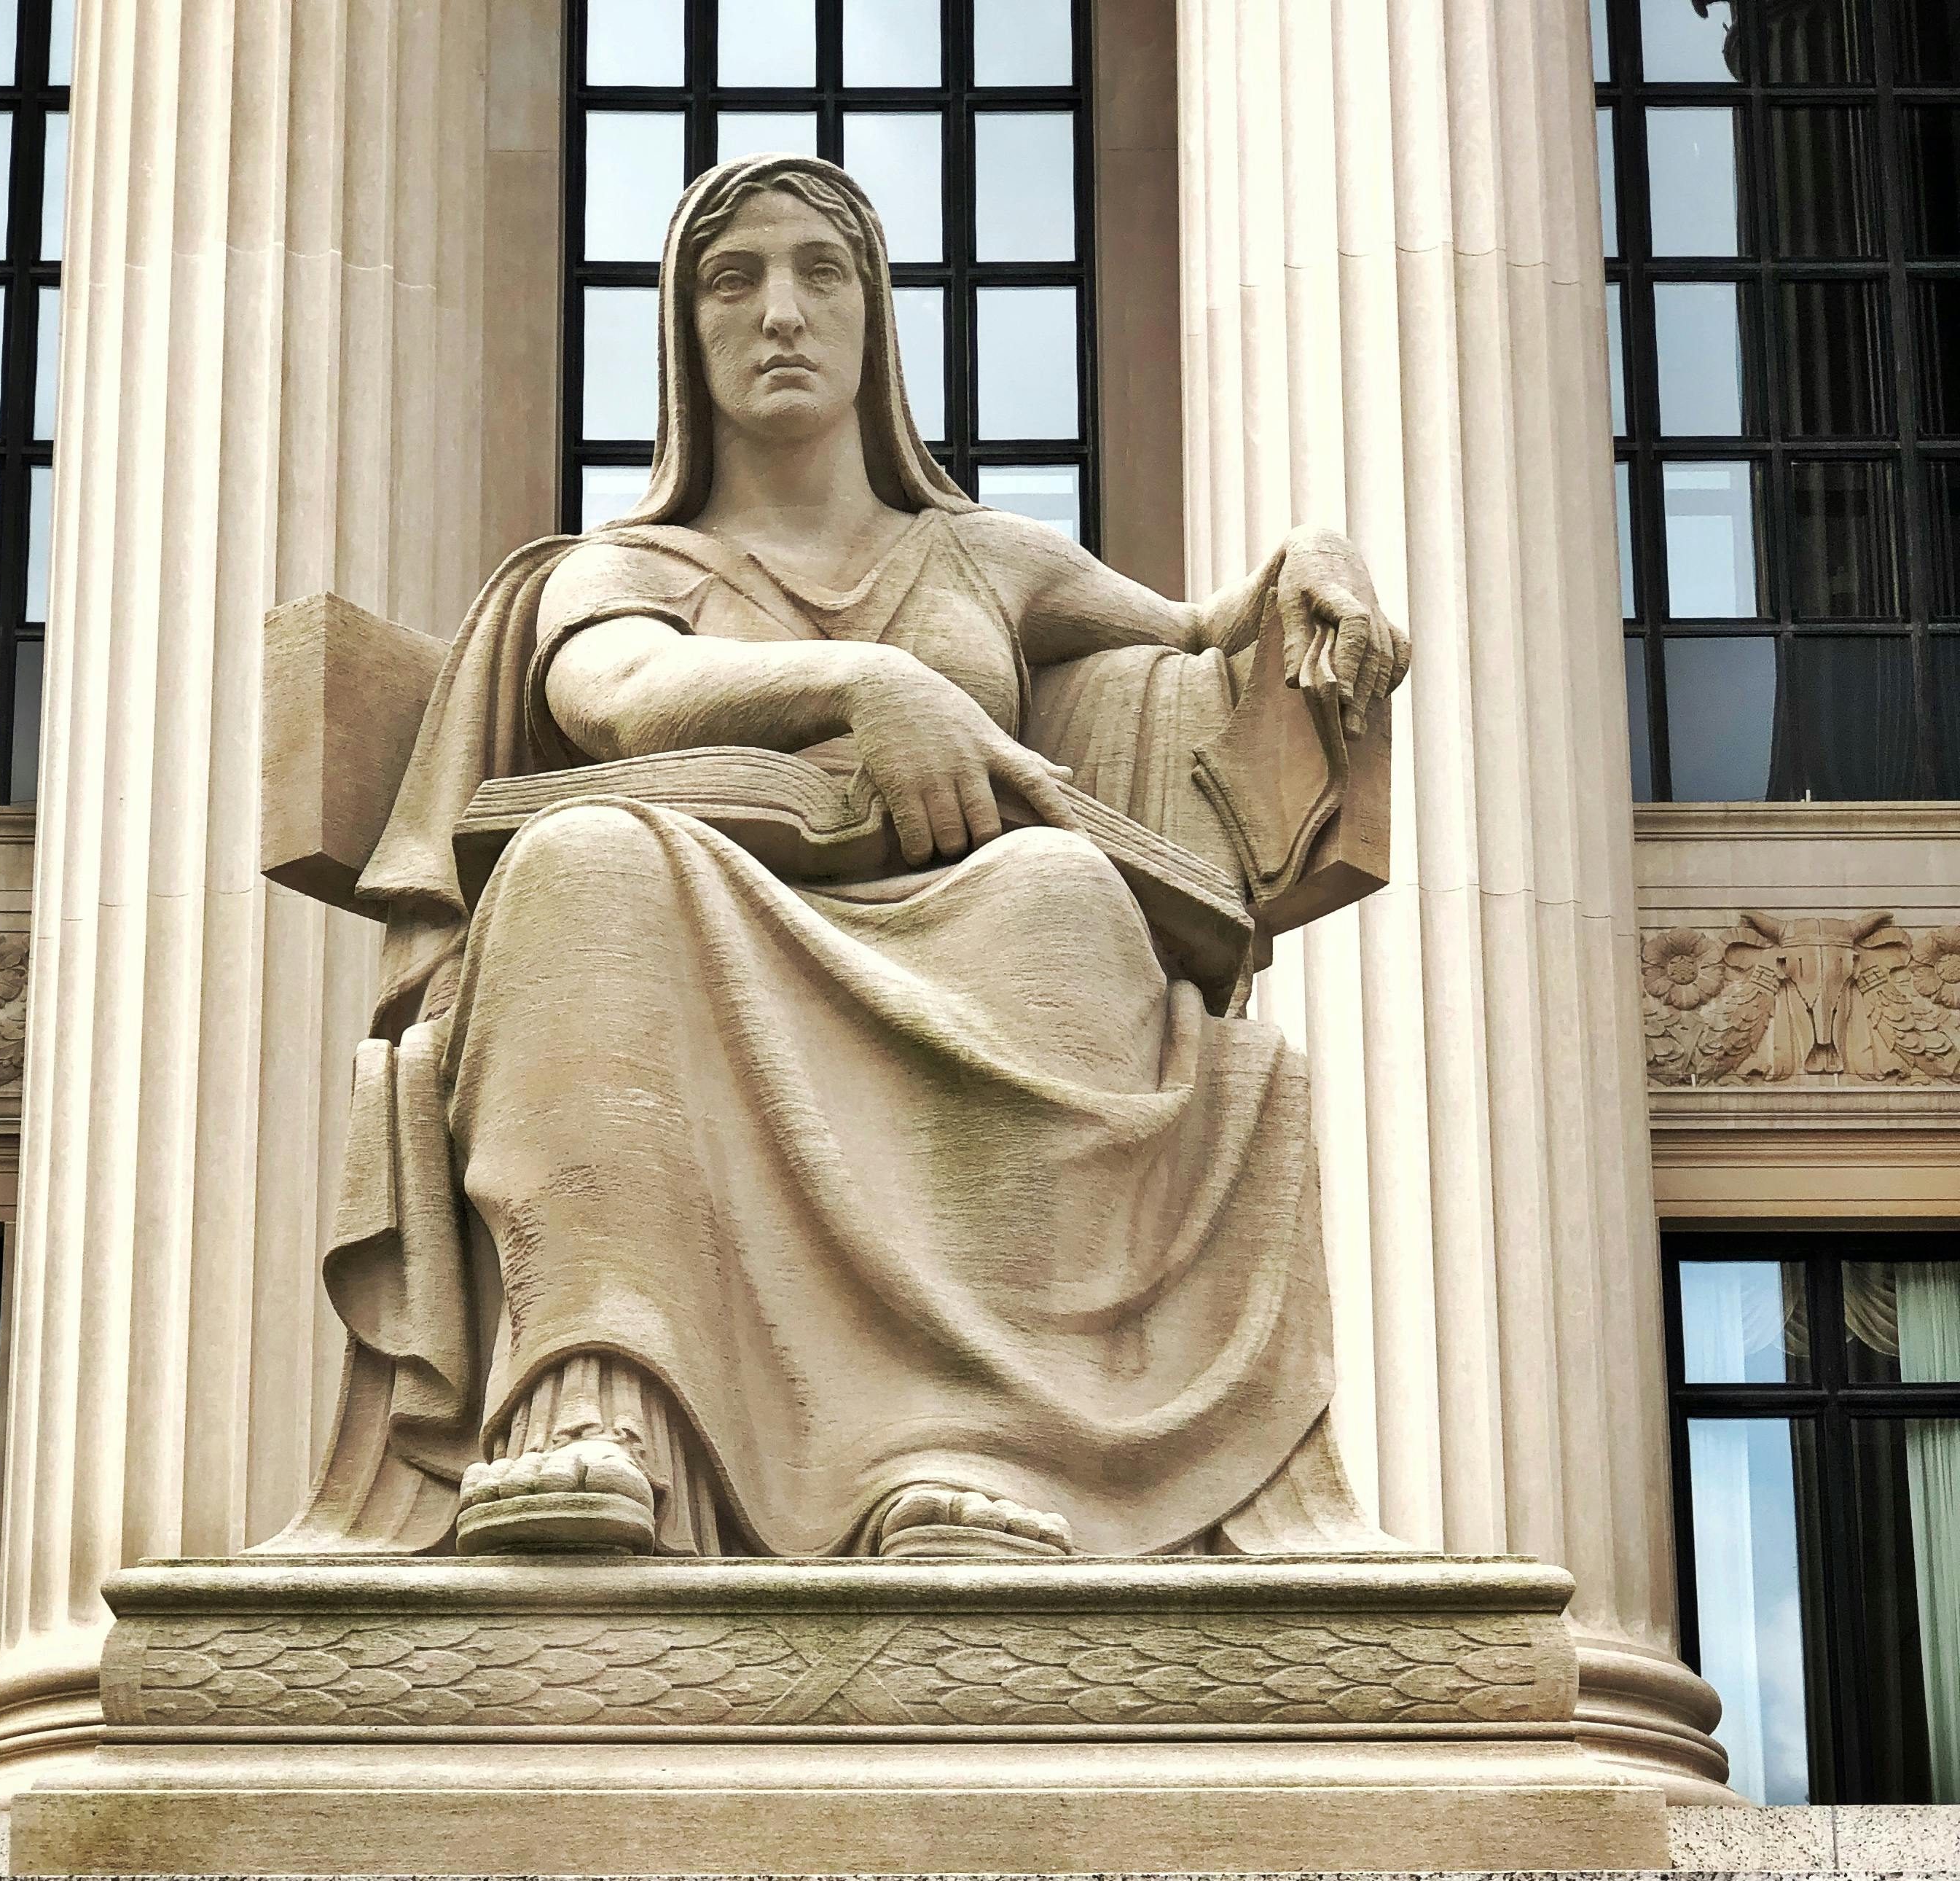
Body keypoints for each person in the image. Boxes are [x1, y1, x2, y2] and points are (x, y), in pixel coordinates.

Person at [305, 153, 1410, 1564]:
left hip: (961, 919)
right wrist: (865, 689)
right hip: (701, 916)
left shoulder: (982, 560)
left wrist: (1315, 563)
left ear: (873, 323)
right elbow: (621, 697)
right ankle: (599, 1405)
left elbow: (1207, 631)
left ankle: (961, 1455)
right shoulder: (615, 567)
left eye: (820, 275)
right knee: (582, 870)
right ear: (682, 336)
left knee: (1061, 897)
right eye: (733, 279)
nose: (780, 313)